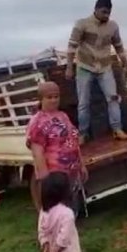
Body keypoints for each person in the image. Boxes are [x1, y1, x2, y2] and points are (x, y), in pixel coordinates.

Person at [66, 0, 127, 145]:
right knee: (83, 102)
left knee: (113, 98)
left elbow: (119, 46)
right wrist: (69, 67)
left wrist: (125, 63)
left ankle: (117, 129)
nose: (106, 15)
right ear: (95, 9)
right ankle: (83, 134)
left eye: (108, 12)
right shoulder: (82, 24)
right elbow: (71, 47)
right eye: (103, 12)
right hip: (85, 67)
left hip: (105, 66)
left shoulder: (113, 26)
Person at [26, 82, 88, 211]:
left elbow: (73, 141)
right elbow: (37, 153)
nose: (54, 100)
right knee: (57, 213)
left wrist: (81, 165)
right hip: (55, 178)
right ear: (41, 99)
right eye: (49, 97)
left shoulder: (63, 116)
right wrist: (45, 180)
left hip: (70, 173)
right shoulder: (37, 122)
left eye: (56, 96)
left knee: (71, 210)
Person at [38, 172, 82, 252]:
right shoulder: (67, 213)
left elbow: (41, 231)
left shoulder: (44, 211)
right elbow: (64, 238)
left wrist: (45, 246)